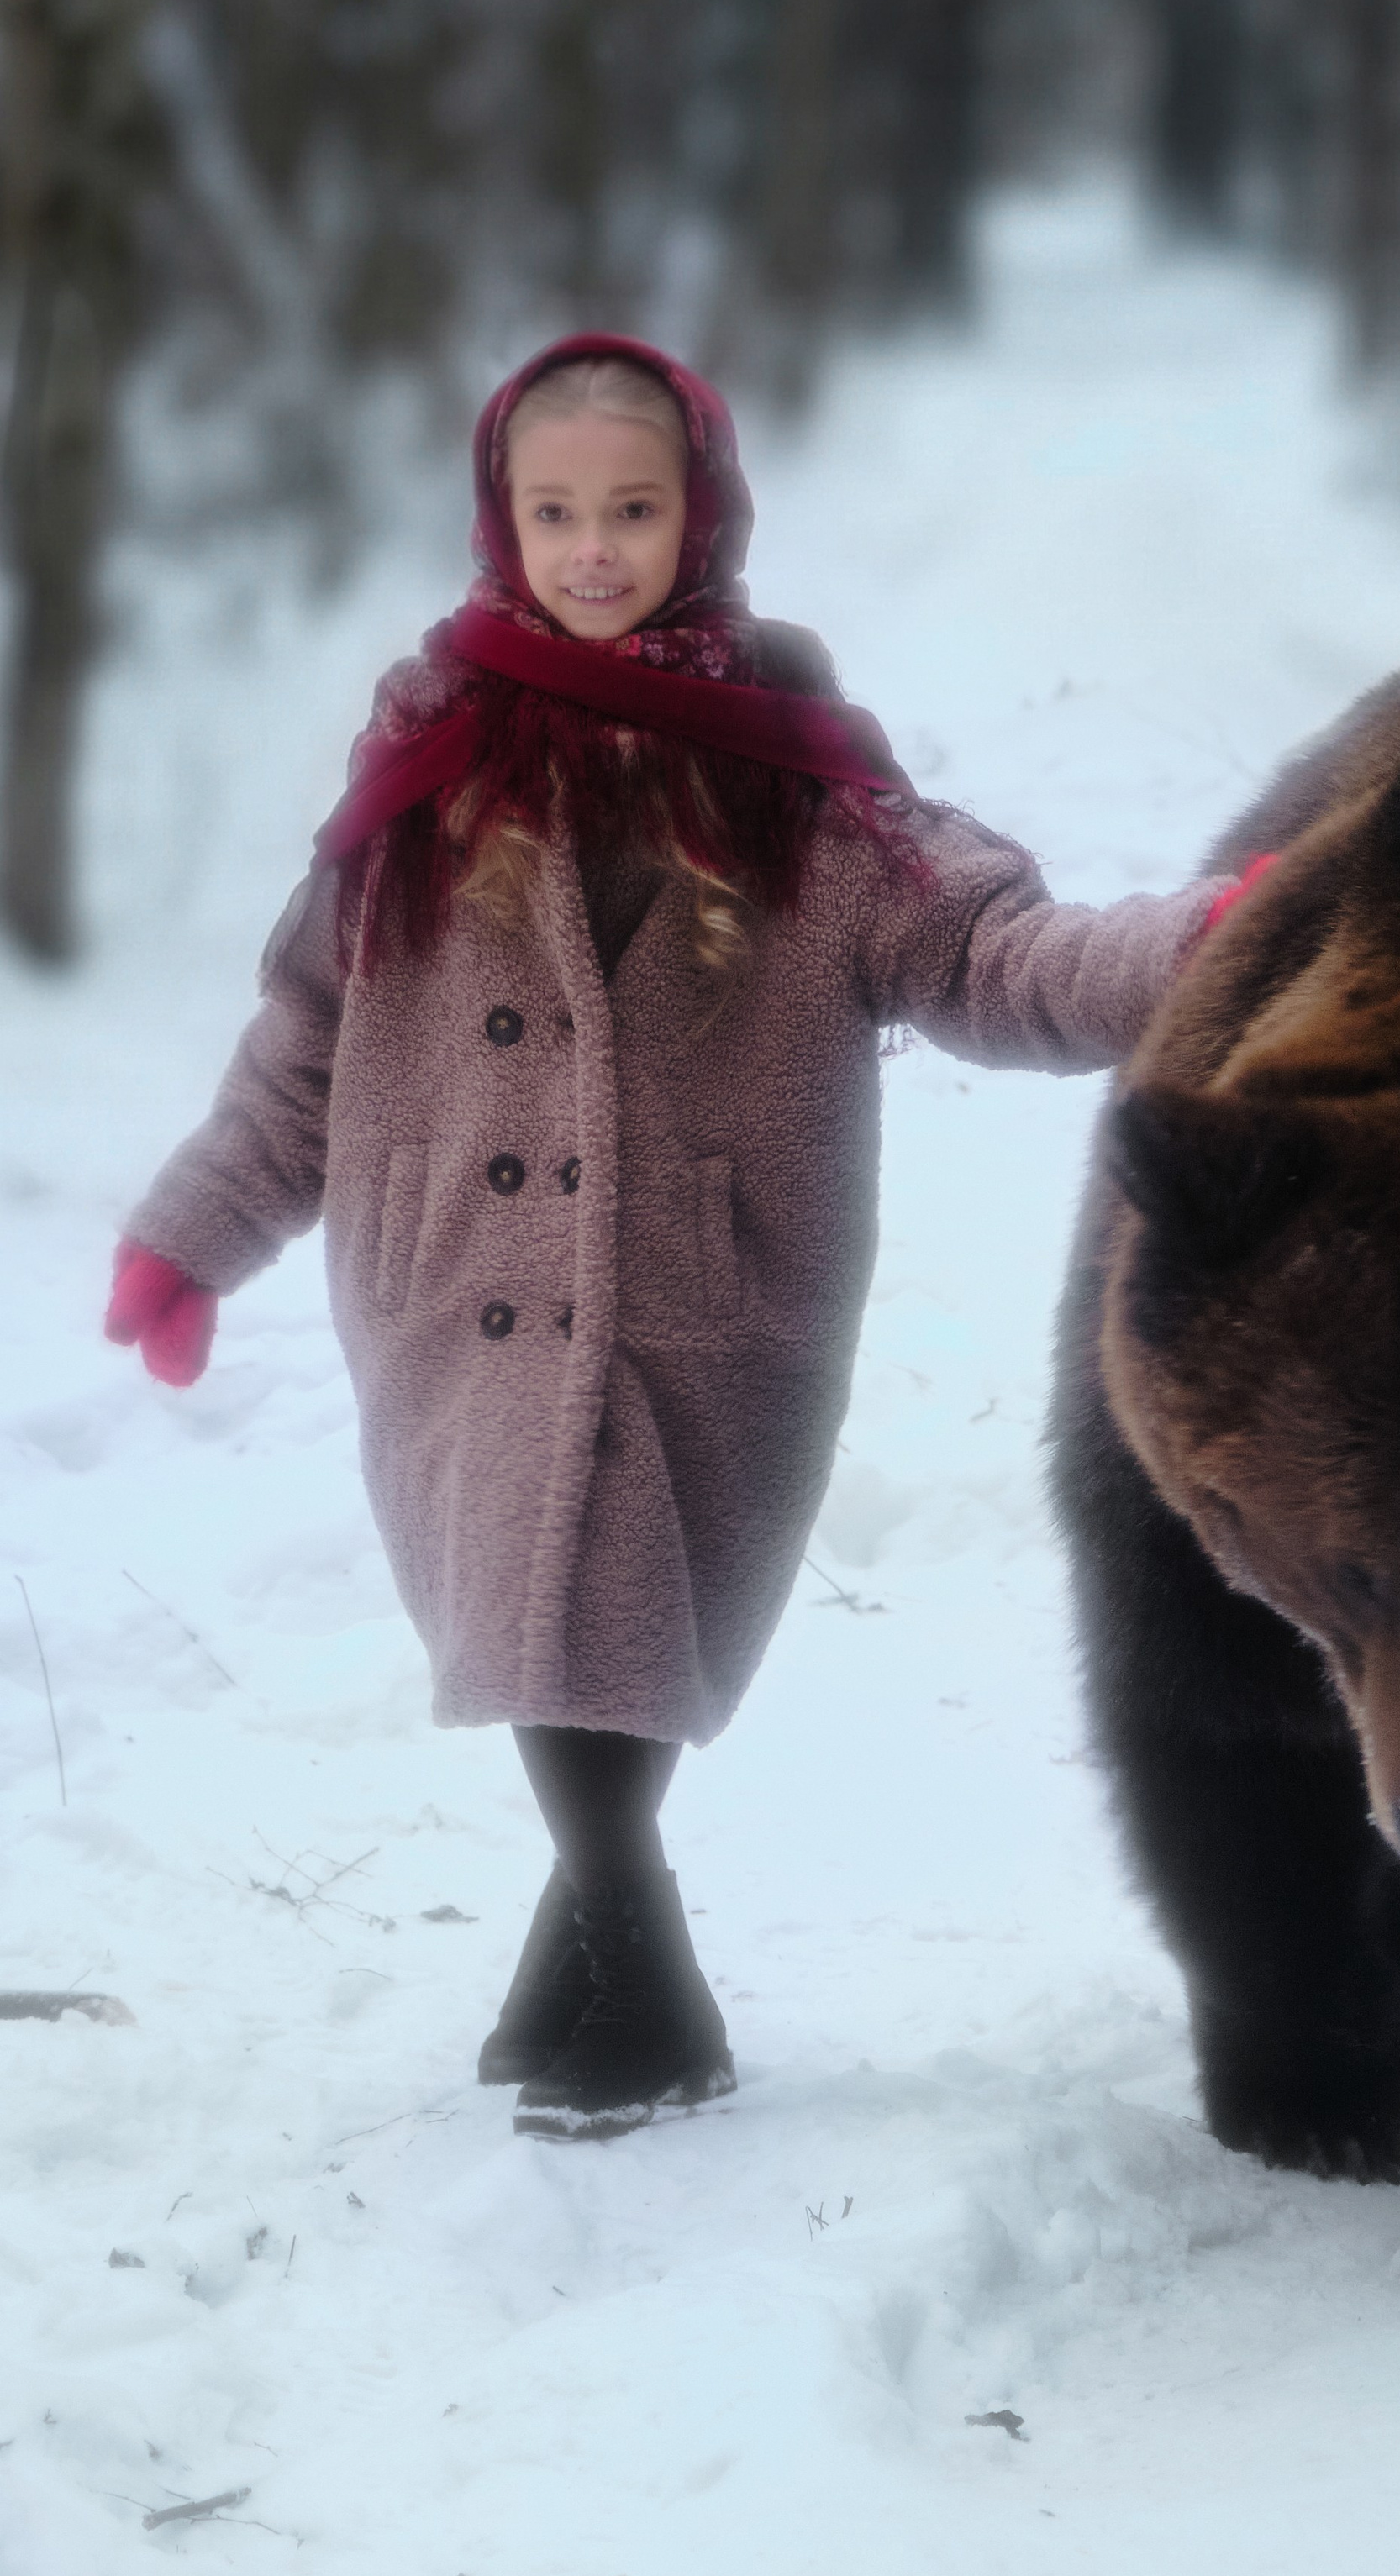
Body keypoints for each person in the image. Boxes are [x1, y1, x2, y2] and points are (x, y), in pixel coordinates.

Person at [107, 332, 1214, 2143]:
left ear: (703, 517)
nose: (594, 549)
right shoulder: (427, 764)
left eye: (632, 509)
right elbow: (304, 1040)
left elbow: (994, 957)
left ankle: (629, 1985)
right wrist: (190, 1235)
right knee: (560, 1625)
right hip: (453, 1289)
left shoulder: (796, 786)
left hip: (705, 1293)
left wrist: (1195, 947)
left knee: (602, 1620)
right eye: (556, 513)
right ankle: (617, 1977)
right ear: (502, 521)